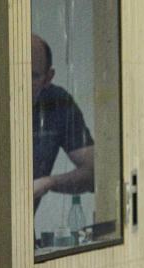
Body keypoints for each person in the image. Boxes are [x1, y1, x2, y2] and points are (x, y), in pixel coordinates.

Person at [31, 34, 95, 214]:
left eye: (32, 76)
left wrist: (48, 182)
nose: (18, 84)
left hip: (21, 229)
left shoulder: (57, 103)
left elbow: (94, 173)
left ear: (48, 78)